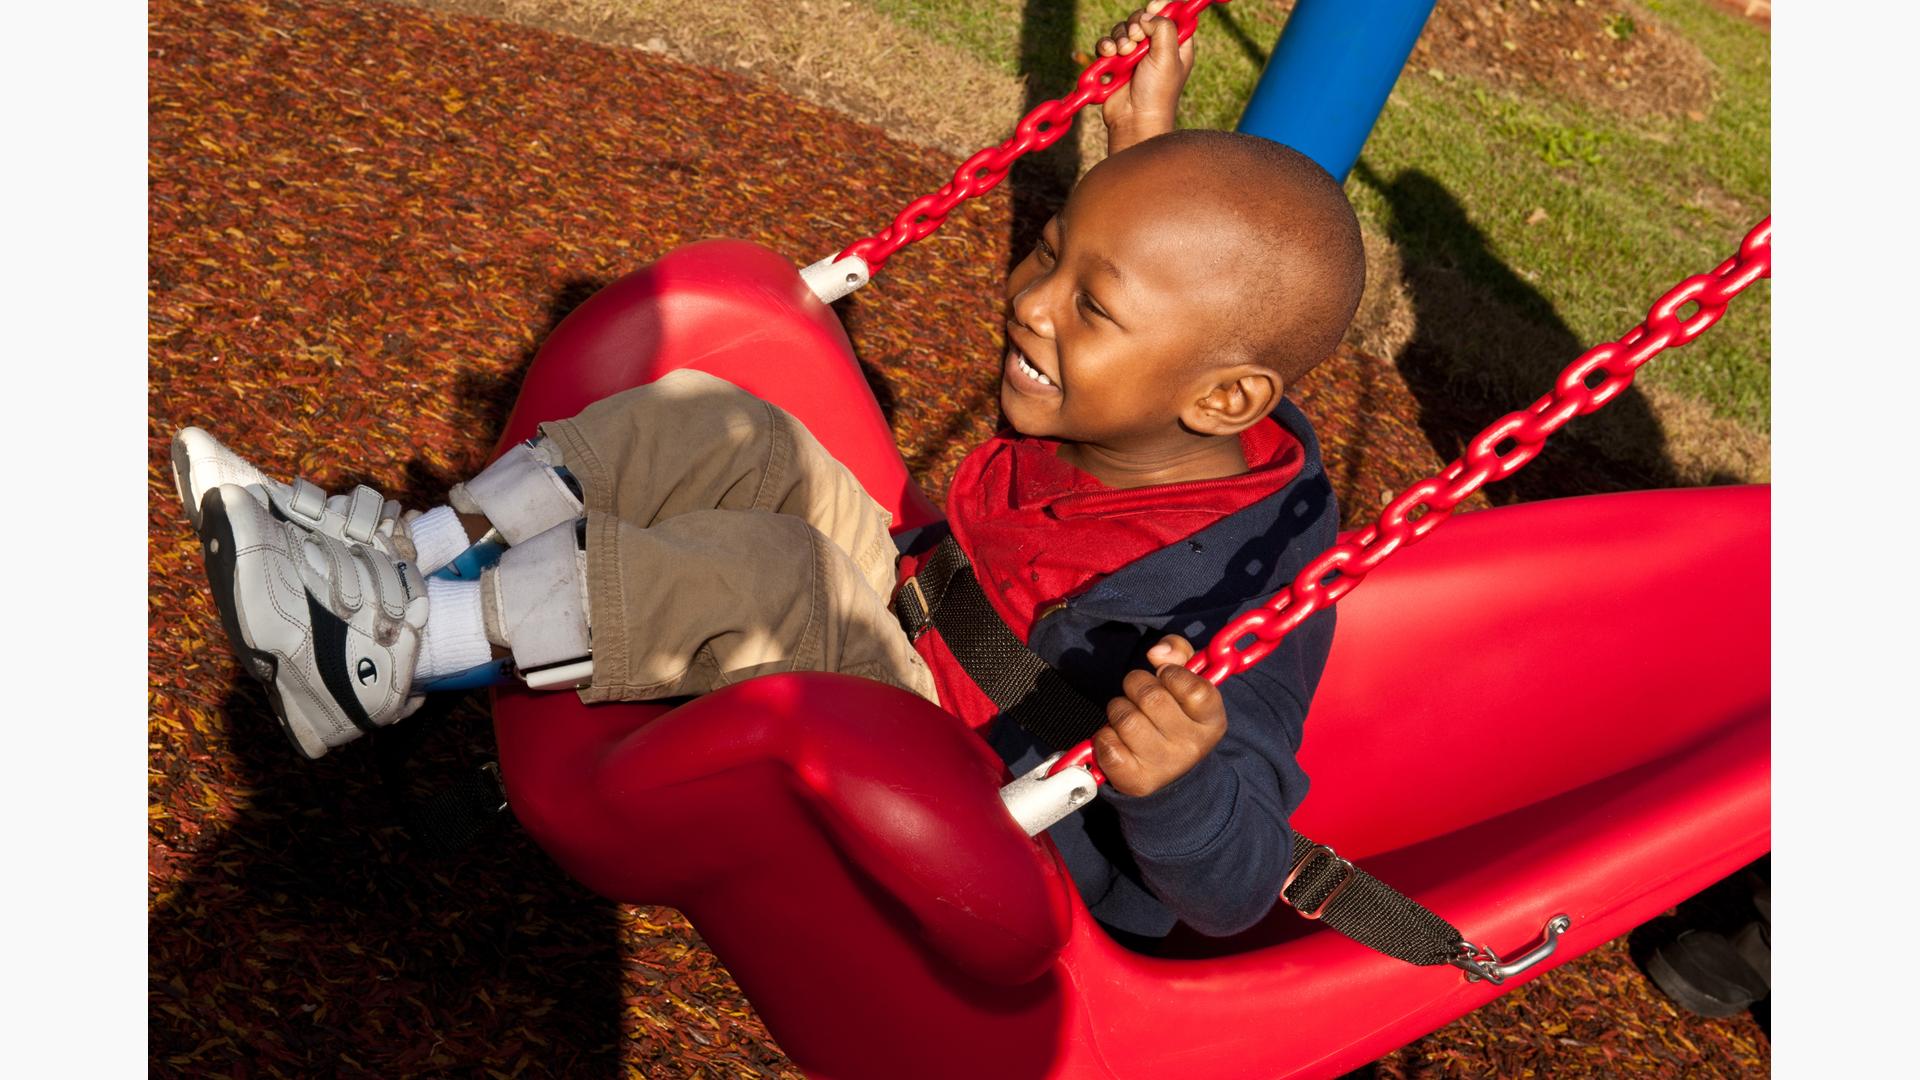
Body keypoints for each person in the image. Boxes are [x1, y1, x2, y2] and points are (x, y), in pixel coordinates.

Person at [170, 4, 1365, 944]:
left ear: (1221, 400)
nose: (1030, 300)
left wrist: (1178, 780)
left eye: (1088, 305)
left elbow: (1236, 883)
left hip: (986, 810)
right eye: (1049, 255)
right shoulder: (1176, 394)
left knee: (775, 573)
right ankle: (402, 559)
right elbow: (1176, 290)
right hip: (918, 622)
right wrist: (1140, 146)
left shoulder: (1248, 595)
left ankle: (385, 652)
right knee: (726, 424)